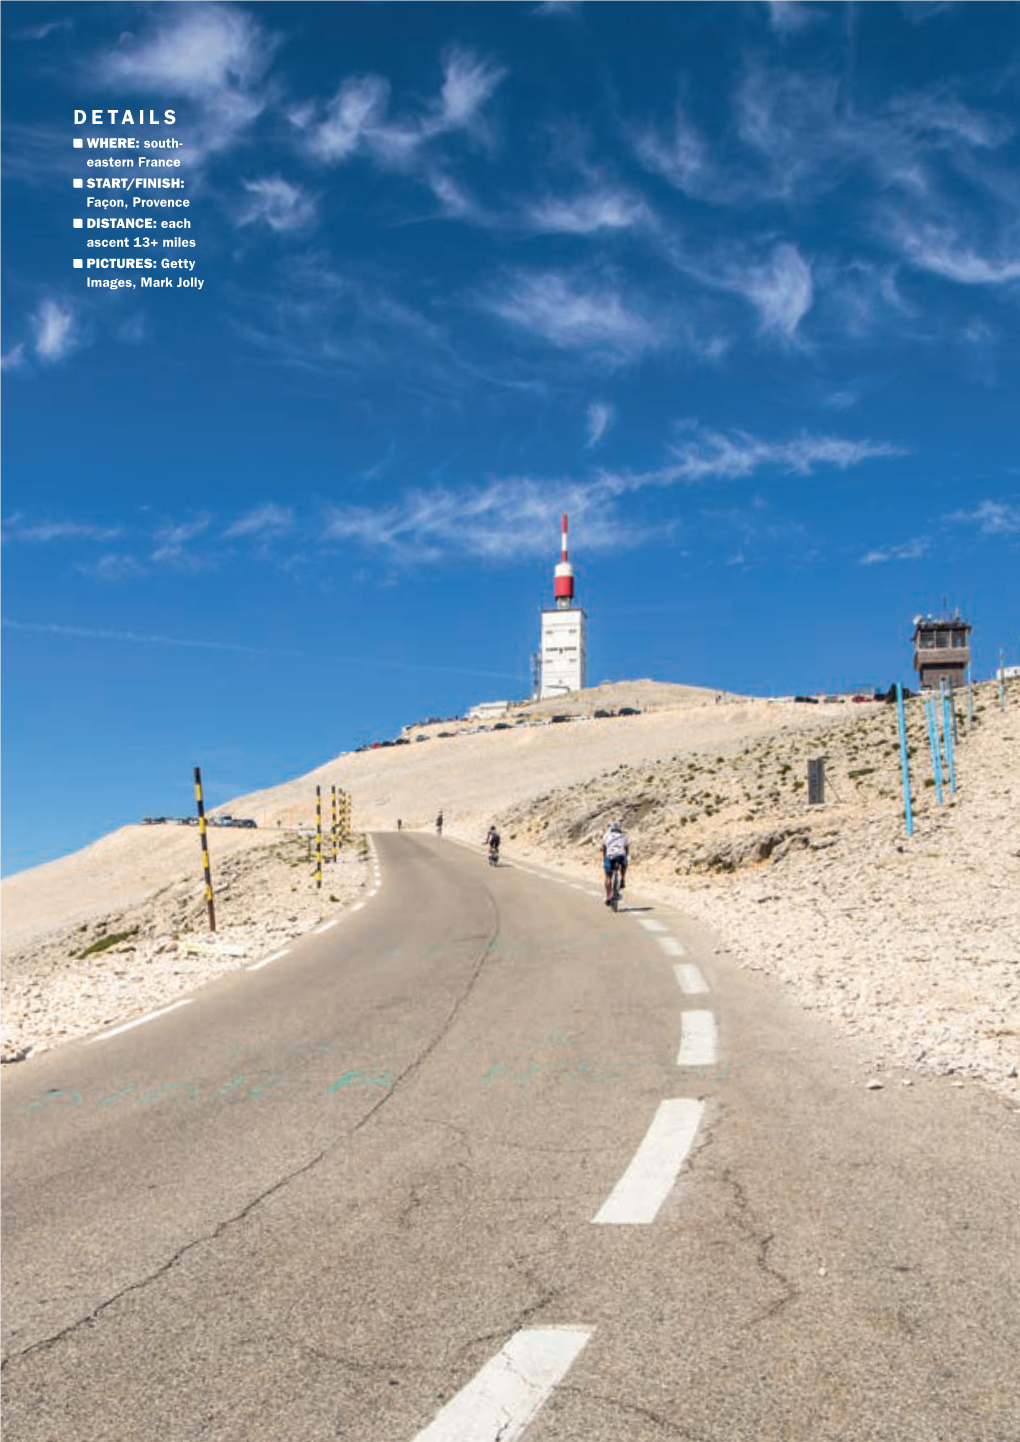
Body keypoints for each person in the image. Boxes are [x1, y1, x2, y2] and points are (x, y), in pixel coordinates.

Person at [601, 820, 629, 905]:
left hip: (610, 856)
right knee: (624, 864)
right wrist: (626, 856)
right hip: (621, 856)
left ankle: (609, 896)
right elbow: (626, 848)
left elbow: (604, 847)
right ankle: (622, 878)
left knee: (608, 876)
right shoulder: (624, 836)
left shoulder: (606, 835)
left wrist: (604, 857)